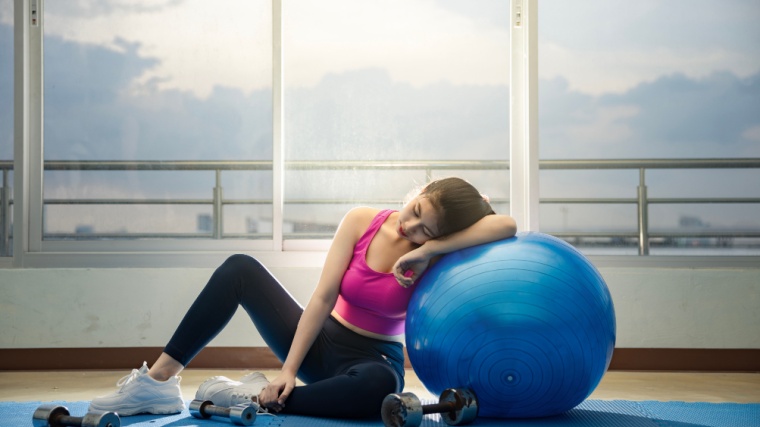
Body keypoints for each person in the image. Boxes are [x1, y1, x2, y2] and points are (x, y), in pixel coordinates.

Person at [89, 177, 517, 419]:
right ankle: (160, 382)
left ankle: (254, 398)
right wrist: (289, 369)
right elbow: (322, 297)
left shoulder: (435, 252)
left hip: (372, 358)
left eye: (428, 230)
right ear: (418, 192)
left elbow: (506, 226)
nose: (414, 228)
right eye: (417, 212)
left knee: (381, 390)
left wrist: (428, 252)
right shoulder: (362, 220)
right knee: (240, 268)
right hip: (320, 339)